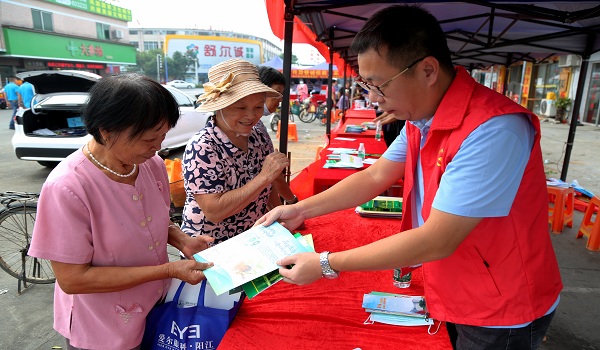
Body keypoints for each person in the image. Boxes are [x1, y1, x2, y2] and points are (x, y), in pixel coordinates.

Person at [257, 5, 562, 350]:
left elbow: (437, 239)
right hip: (455, 281)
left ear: (427, 70)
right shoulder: (422, 118)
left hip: (500, 304)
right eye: (365, 84)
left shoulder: (493, 129)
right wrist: (301, 210)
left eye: (378, 84)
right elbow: (376, 176)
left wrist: (326, 263)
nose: (373, 98)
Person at [28, 74, 214, 350]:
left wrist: (182, 240)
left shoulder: (151, 165)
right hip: (102, 327)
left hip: (155, 309)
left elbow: (152, 221)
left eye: (163, 136)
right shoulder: (67, 188)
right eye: (149, 139)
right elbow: (72, 279)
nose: (158, 147)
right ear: (107, 131)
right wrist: (169, 269)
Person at [181, 58, 289, 244]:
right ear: (219, 107)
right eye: (240, 108)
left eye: (257, 107)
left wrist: (280, 219)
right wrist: (264, 177)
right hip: (211, 245)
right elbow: (214, 211)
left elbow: (269, 188)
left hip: (250, 238)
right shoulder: (203, 146)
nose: (251, 116)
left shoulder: (258, 136)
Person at [257, 66, 299, 205]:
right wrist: (291, 201)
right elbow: (273, 176)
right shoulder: (204, 143)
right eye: (276, 93)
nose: (280, 100)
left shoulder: (257, 127)